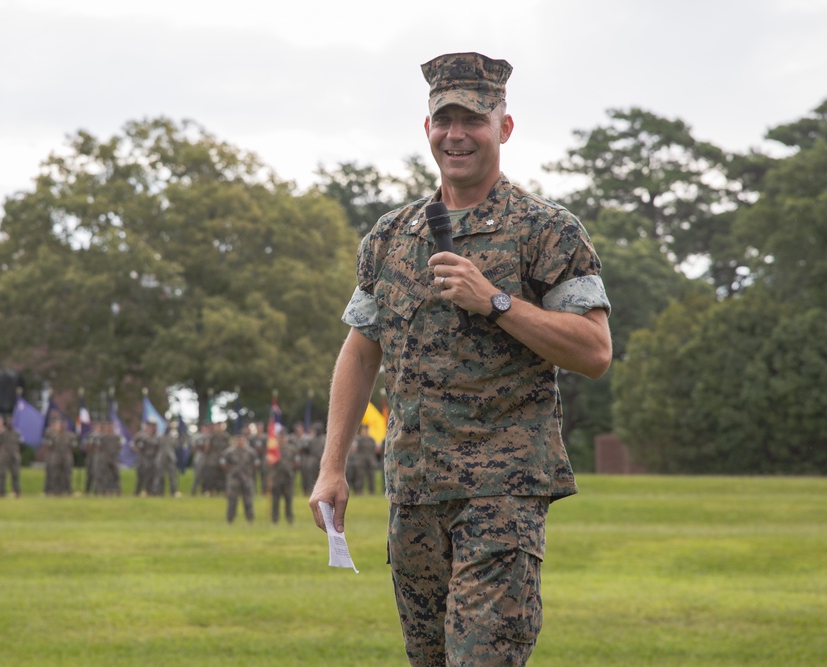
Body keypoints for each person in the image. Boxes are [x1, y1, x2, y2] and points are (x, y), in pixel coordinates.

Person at [309, 52, 612, 667]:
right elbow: (361, 350)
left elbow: (594, 351)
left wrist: (496, 301)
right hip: (415, 493)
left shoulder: (547, 231)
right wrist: (331, 466)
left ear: (503, 126)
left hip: (502, 496)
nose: (456, 134)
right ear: (427, 129)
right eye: (443, 119)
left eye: (472, 119)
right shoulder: (391, 237)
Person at [220, 432, 259, 524]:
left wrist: (249, 472)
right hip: (234, 480)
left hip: (247, 479)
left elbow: (256, 464)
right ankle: (230, 520)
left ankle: (250, 519)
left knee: (248, 501)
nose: (239, 442)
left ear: (244, 440)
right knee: (232, 501)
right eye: (238, 440)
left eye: (241, 440)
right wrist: (231, 471)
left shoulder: (251, 452)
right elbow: (223, 464)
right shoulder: (228, 452)